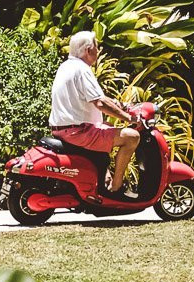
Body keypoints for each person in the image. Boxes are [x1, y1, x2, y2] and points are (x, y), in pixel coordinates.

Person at [49, 30, 140, 196]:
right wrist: (129, 118)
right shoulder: (82, 70)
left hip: (64, 129)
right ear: (88, 50)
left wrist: (123, 105)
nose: (99, 50)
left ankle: (102, 181)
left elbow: (97, 98)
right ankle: (117, 187)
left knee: (107, 128)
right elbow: (100, 103)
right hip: (79, 132)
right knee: (132, 137)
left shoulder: (67, 67)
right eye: (97, 46)